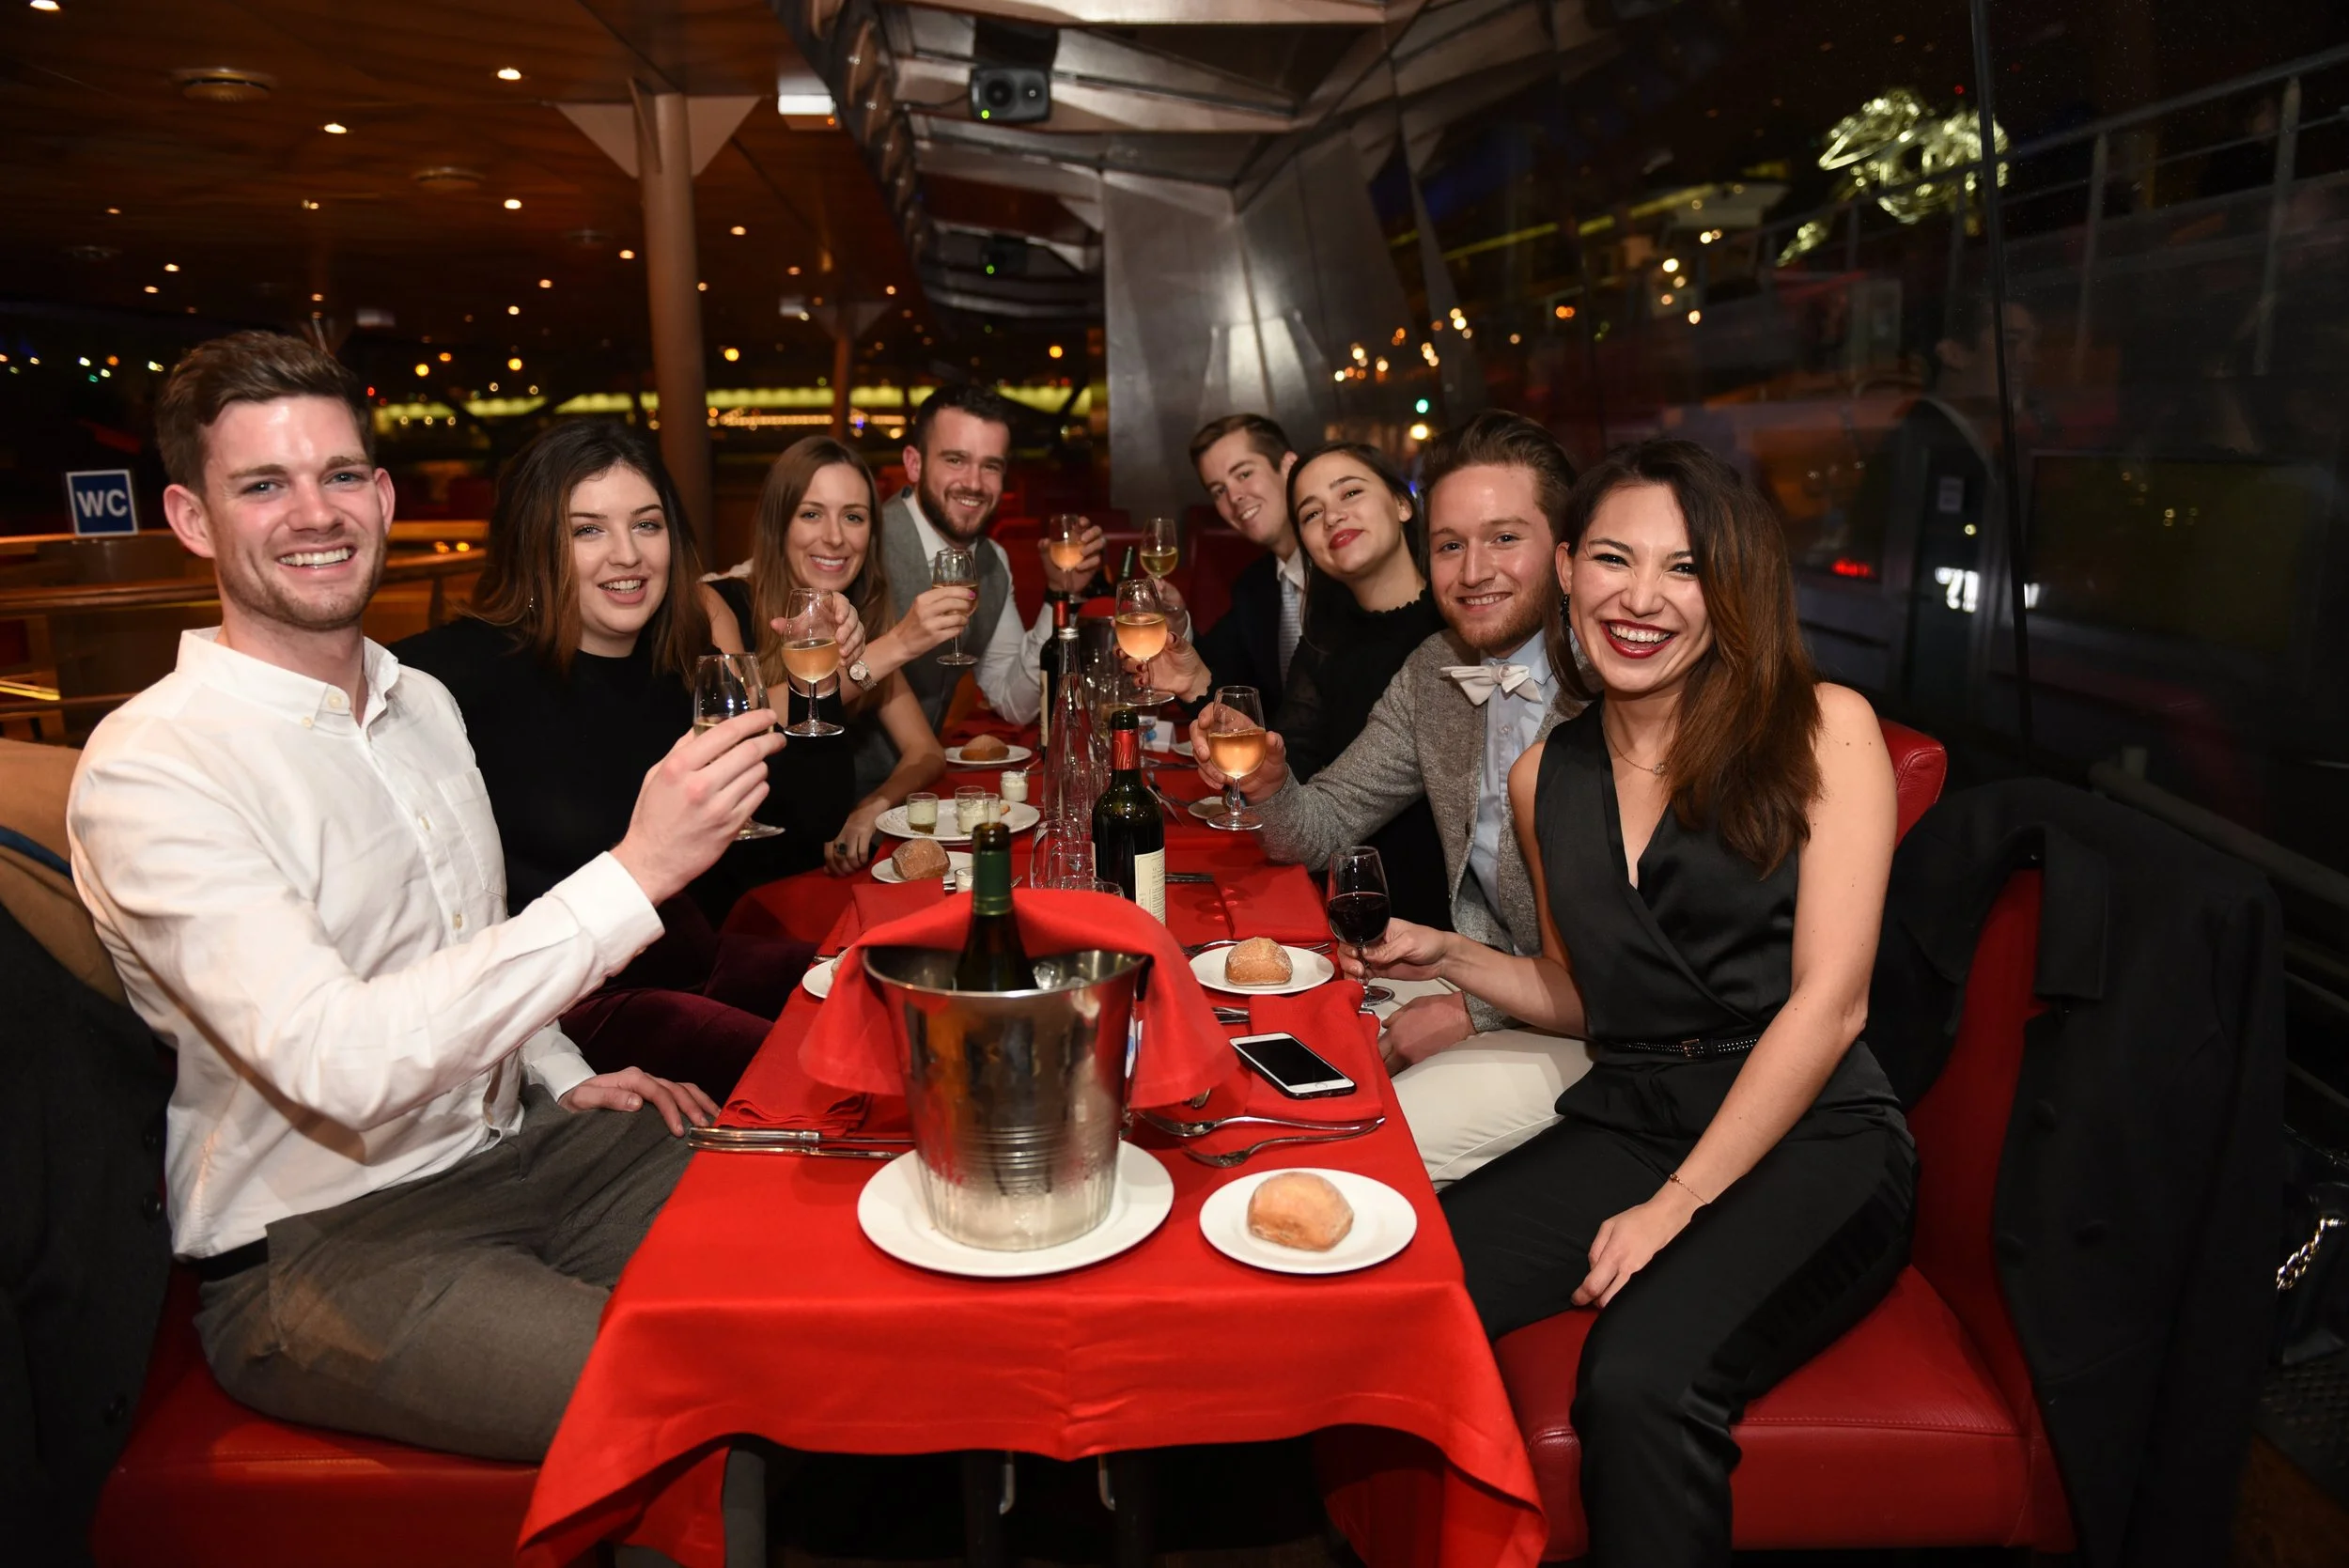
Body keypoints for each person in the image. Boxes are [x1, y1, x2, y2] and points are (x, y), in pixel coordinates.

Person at [67, 331, 782, 1466]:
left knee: (819, 1243)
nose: (316, 513)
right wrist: (638, 869)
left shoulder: (422, 709)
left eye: (341, 475)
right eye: (265, 485)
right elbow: (341, 1063)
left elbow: (471, 941)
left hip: (526, 1145)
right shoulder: (157, 765)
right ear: (195, 521)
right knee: (696, 1385)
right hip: (326, 1242)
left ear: (383, 494)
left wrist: (565, 1071)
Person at [1354, 438, 1915, 1565]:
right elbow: (1581, 996)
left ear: (1729, 588)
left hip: (1815, 1132)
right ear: (1567, 569)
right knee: (1413, 1282)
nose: (1641, 598)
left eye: (1684, 568)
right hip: (1636, 1107)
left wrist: (1678, 1203)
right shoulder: (1541, 776)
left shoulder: (1819, 728)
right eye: (1614, 558)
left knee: (1640, 1380)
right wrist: (1448, 956)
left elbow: (1831, 1008)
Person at [1187, 411, 1591, 1185]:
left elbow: (1636, 965)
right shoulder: (1437, 668)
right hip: (1477, 973)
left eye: (1505, 538)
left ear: (1565, 554)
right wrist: (1272, 783)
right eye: (1450, 545)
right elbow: (1325, 824)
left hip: (1598, 1031)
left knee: (1338, 1153)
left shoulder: (1613, 683)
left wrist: (1471, 1014)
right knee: (1250, 1063)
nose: (1473, 570)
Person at [394, 420, 813, 1097]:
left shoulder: (676, 663)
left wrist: (812, 683)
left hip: (688, 958)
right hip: (567, 1005)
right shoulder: (447, 674)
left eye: (647, 526)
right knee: (814, 1071)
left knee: (869, 988)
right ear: (536, 544)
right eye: (588, 530)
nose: (628, 554)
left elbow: (760, 838)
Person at [851, 381, 1103, 793]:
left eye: (991, 466)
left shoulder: (991, 562)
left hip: (919, 792)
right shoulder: (861, 543)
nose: (974, 483)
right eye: (955, 460)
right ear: (914, 464)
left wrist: (1059, 595)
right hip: (842, 801)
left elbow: (1014, 701)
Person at [718, 435, 945, 874]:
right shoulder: (721, 605)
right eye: (811, 514)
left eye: (854, 517)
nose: (835, 537)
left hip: (822, 877)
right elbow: (734, 726)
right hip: (744, 886)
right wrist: (893, 648)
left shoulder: (856, 627)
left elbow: (926, 751)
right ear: (778, 523)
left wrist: (872, 807)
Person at [1183, 412, 1307, 717]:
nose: (1234, 497)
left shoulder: (1346, 570)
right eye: (1218, 490)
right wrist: (1176, 626)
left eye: (1243, 474)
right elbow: (1221, 689)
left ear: (1289, 466)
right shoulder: (1254, 586)